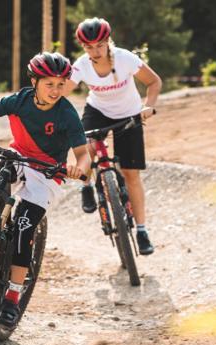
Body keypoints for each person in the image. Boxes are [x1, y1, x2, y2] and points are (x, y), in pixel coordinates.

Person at [0, 52, 91, 328]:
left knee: (24, 226)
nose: (56, 90)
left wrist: (77, 168)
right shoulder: (20, 100)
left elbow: (83, 154)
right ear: (34, 81)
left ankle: (12, 295)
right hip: (18, 157)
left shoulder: (67, 114)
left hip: (48, 174)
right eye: (50, 84)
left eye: (61, 84)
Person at [66, 17, 162, 255]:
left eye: (99, 45)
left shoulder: (125, 58)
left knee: (131, 175)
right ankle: (86, 185)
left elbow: (154, 82)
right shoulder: (81, 65)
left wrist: (148, 106)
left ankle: (141, 230)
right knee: (85, 146)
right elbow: (61, 92)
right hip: (97, 112)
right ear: (83, 47)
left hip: (129, 113)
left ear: (108, 41)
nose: (95, 51)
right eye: (89, 47)